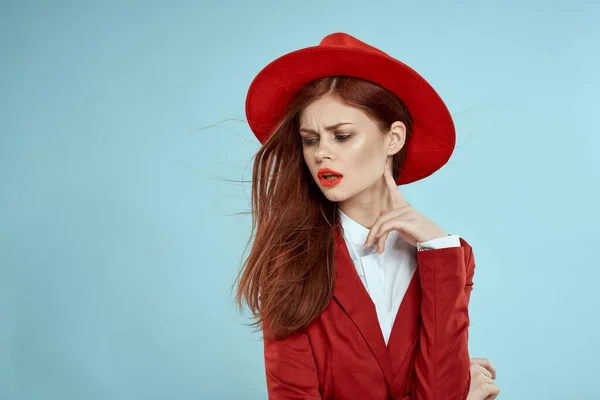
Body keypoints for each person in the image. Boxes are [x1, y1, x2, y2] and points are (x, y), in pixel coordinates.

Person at [234, 32, 500, 399]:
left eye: (341, 136)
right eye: (310, 139)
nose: (321, 154)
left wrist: (438, 248)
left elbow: (440, 389)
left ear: (393, 139)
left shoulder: (451, 257)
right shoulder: (289, 265)